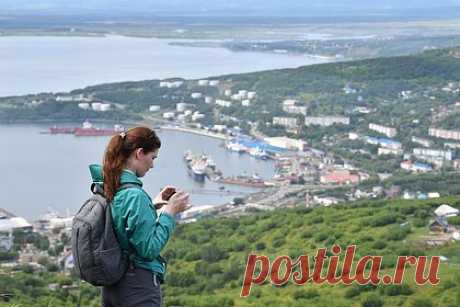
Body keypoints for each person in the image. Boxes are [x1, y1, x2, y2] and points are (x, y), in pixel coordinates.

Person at [89, 126, 190, 307]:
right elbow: (148, 248)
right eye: (152, 158)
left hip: (113, 286)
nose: (152, 164)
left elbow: (121, 225)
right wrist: (170, 212)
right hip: (137, 286)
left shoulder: (110, 184)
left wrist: (152, 205)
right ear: (139, 153)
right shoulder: (134, 195)